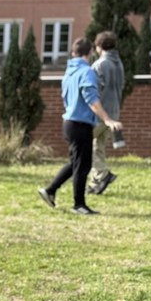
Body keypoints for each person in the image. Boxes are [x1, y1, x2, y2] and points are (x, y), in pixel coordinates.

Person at [38, 38, 122, 216]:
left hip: (69, 122)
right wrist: (107, 119)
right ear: (90, 52)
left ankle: (50, 190)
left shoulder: (69, 72)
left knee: (76, 162)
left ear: (73, 52)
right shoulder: (87, 71)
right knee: (83, 165)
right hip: (80, 123)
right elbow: (91, 98)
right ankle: (79, 205)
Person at [88, 31, 124, 196]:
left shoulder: (99, 64)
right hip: (114, 111)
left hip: (101, 113)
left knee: (85, 146)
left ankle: (102, 174)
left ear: (99, 46)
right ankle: (95, 184)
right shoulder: (119, 64)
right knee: (98, 147)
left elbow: (93, 92)